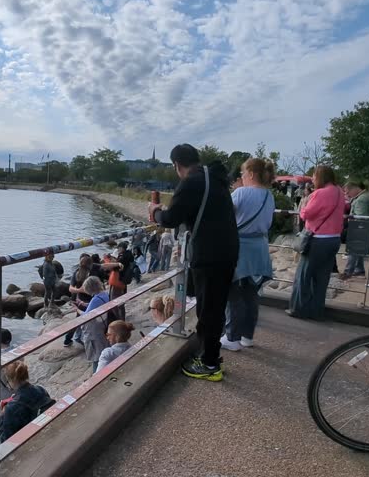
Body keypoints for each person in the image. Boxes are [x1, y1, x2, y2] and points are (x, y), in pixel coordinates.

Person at [149, 144, 238, 381]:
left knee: (208, 310)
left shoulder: (192, 182)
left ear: (177, 165)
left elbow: (170, 218)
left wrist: (155, 211)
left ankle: (209, 364)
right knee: (215, 307)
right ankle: (210, 356)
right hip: (227, 251)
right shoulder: (213, 178)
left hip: (209, 255)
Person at [221, 158, 275, 351]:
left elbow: (224, 214)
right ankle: (247, 336)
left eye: (243, 173)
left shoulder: (241, 193)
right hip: (260, 248)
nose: (242, 177)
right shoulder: (269, 195)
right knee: (252, 295)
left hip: (240, 248)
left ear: (251, 174)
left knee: (234, 294)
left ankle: (232, 338)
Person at [288, 166, 346, 321]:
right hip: (334, 239)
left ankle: (298, 309)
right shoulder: (339, 192)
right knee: (322, 278)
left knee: (303, 275)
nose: (312, 179)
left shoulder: (319, 193)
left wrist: (304, 205)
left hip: (317, 239)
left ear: (320, 176)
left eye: (314, 176)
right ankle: (316, 311)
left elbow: (306, 214)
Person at [0, 361, 54, 442]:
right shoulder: (40, 389)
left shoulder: (12, 408)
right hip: (46, 433)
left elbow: (4, 440)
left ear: (11, 380)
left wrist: (2, 416)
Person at [341, 182, 369, 280]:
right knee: (358, 250)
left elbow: (360, 216)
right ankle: (359, 270)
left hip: (358, 228)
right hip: (363, 227)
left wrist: (348, 216)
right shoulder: (365, 196)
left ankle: (348, 272)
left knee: (353, 249)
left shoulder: (361, 199)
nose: (347, 195)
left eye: (348, 192)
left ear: (354, 189)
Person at [79, 276, 111, 374]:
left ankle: (96, 376)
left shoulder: (95, 300)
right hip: (103, 326)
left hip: (95, 332)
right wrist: (85, 304)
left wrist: (77, 310)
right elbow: (94, 306)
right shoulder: (104, 294)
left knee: (96, 358)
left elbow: (86, 316)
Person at [109, 242, 134, 322]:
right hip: (124, 281)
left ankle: (119, 320)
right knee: (121, 301)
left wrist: (109, 260)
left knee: (115, 301)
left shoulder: (123, 257)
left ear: (122, 248)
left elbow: (115, 267)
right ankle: (122, 318)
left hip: (118, 281)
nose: (118, 249)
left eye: (118, 248)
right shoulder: (129, 255)